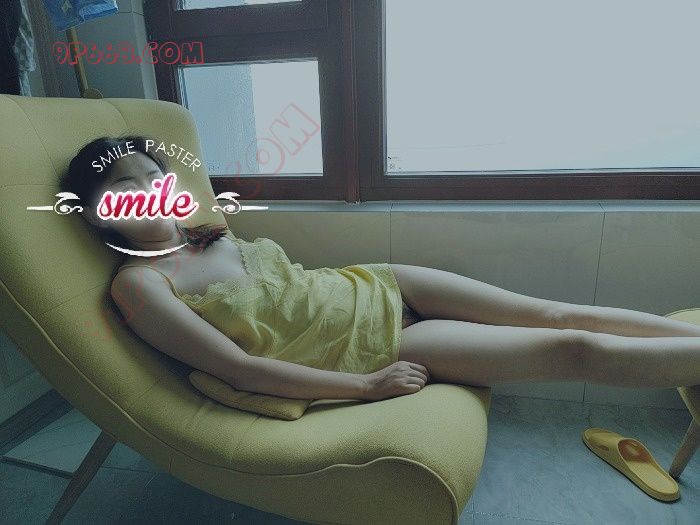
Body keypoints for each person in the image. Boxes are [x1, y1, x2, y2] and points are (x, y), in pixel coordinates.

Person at [61, 135, 700, 403]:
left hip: (380, 282)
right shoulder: (140, 285)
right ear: (96, 213)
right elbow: (238, 369)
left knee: (556, 312)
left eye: (155, 175)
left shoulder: (208, 231)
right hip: (383, 347)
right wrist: (366, 388)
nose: (149, 192)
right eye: (124, 186)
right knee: (573, 348)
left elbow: (293, 292)